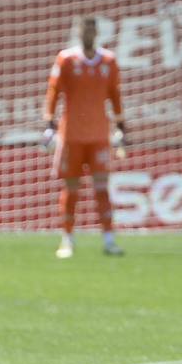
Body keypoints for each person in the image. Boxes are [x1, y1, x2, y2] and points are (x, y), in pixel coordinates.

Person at [42, 15, 124, 258]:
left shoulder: (109, 61)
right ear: (78, 32)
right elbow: (53, 92)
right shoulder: (66, 59)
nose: (87, 34)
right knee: (72, 189)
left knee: (102, 188)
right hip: (71, 136)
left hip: (99, 135)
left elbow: (115, 95)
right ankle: (67, 239)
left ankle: (109, 239)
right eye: (83, 30)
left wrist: (121, 126)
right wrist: (49, 122)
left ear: (96, 32)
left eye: (91, 30)